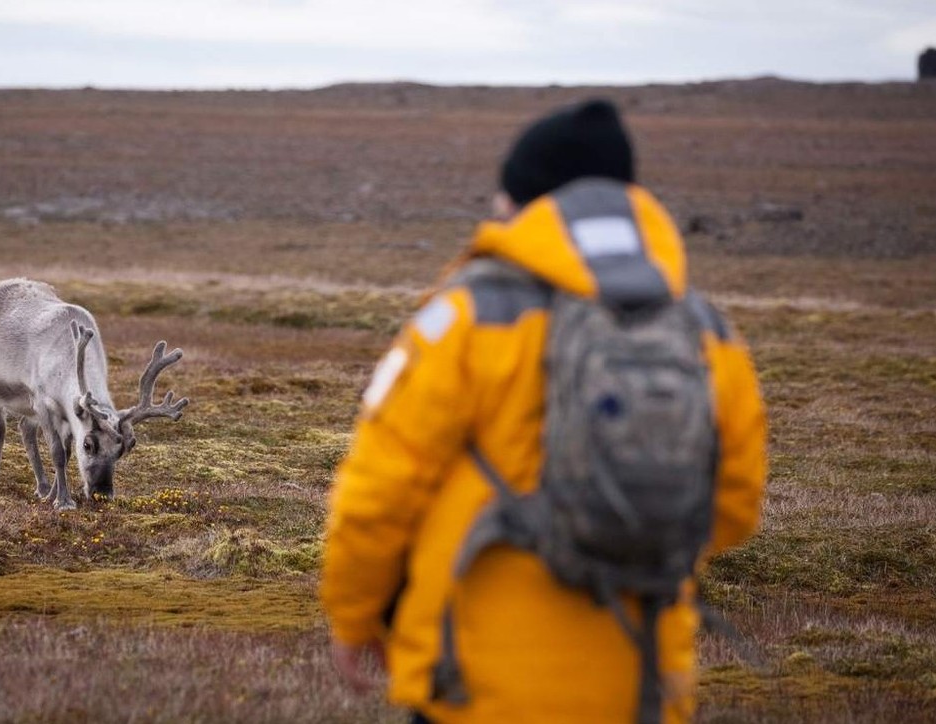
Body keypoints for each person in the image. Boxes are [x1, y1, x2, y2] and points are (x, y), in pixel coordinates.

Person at [319, 99, 766, 723]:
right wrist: (620, 533)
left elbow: (380, 489)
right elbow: (735, 506)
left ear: (524, 200)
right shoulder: (704, 331)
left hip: (475, 685)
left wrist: (353, 612)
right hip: (638, 687)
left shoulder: (467, 318)